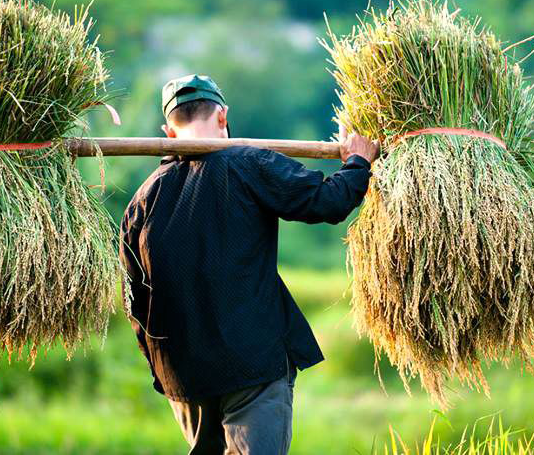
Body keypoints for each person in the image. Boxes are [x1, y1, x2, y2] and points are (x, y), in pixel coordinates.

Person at [120, 74, 379, 455]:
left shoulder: (141, 202)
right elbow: (328, 202)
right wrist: (358, 162)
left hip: (184, 376)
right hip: (252, 364)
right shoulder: (250, 163)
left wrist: (161, 369)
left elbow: (134, 302)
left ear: (168, 132)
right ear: (223, 117)